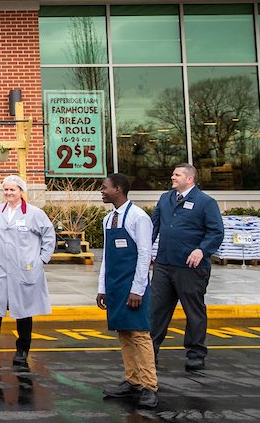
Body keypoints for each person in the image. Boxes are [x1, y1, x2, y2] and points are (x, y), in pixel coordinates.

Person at [150, 163, 224, 371]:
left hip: (190, 267)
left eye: (177, 174)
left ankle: (196, 352)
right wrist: (146, 250)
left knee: (193, 310)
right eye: (173, 174)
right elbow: (154, 225)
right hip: (164, 264)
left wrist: (202, 250)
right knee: (156, 309)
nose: (172, 177)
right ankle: (150, 350)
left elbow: (216, 232)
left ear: (190, 179)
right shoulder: (166, 198)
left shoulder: (205, 202)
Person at [0, 175, 56, 368]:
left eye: (12, 189)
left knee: (23, 309)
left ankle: (22, 350)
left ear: (21, 191)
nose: (8, 193)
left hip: (25, 269)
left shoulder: (34, 213)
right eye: (6, 190)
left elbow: (48, 235)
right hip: (1, 267)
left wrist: (42, 259)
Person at [97, 173, 158, 410]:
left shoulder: (138, 217)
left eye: (105, 188)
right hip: (115, 286)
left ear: (119, 189)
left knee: (140, 335)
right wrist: (102, 288)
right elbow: (106, 257)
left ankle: (149, 386)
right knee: (123, 333)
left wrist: (137, 290)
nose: (101, 191)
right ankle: (132, 381)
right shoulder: (108, 219)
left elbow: (145, 255)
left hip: (133, 287)